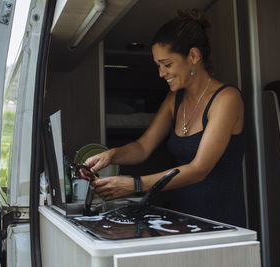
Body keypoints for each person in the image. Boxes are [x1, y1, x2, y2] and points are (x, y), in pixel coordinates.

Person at [85, 9, 246, 227]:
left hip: (220, 220)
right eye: (158, 65)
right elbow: (142, 147)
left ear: (193, 56)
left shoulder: (227, 98)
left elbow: (199, 169)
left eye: (167, 64)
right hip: (180, 216)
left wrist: (136, 185)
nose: (161, 73)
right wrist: (111, 156)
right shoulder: (174, 99)